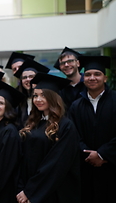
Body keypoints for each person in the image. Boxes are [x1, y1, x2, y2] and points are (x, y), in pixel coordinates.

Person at [17, 73, 80, 203]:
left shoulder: (66, 126)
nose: (38, 99)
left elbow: (56, 164)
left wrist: (31, 191)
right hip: (29, 187)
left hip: (53, 191)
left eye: (43, 95)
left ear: (53, 98)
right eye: (35, 95)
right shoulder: (33, 123)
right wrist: (22, 187)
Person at [69, 55, 116, 203]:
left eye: (97, 74)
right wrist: (88, 155)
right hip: (86, 168)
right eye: (88, 74)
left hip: (113, 167)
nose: (92, 78)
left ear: (105, 78)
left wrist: (102, 154)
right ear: (83, 78)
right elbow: (73, 135)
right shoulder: (76, 106)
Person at [0, 80, 25, 203]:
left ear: (8, 106)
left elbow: (4, 167)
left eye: (1, 103)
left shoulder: (10, 131)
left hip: (4, 189)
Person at [13, 59, 50, 127]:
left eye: (31, 76)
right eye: (24, 77)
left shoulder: (46, 99)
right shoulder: (20, 102)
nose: (28, 79)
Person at [53, 47, 85, 111]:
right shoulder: (60, 89)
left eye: (70, 61)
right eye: (62, 63)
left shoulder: (89, 83)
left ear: (78, 63)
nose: (66, 65)